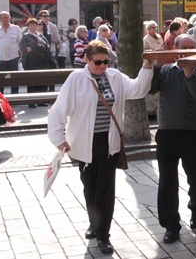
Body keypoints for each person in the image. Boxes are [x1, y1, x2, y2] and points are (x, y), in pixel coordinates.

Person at [47, 40, 153, 255]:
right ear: (86, 60)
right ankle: (94, 222)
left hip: (109, 142)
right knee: (90, 187)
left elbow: (138, 90)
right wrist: (59, 137)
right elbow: (58, 110)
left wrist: (147, 67)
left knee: (105, 189)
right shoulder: (76, 79)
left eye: (106, 62)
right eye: (98, 62)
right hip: (84, 142)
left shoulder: (115, 77)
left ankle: (104, 235)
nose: (103, 66)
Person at [149, 34, 196, 243]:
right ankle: (170, 225)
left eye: (192, 47)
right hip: (167, 134)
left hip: (194, 134)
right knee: (167, 180)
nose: (188, 50)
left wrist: (189, 72)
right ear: (175, 49)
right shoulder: (167, 70)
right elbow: (150, 88)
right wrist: (155, 65)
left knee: (195, 176)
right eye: (184, 47)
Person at [0, 11, 22, 94]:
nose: (5, 19)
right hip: (0, 58)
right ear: (0, 19)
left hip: (13, 58)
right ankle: (1, 99)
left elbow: (20, 43)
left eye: (7, 17)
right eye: (3, 18)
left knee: (14, 79)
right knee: (0, 80)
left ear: (10, 18)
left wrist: (21, 57)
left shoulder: (16, 28)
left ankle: (15, 97)